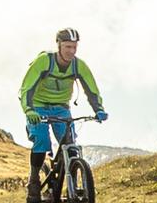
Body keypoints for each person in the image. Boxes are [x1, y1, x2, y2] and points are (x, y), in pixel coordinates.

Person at [17, 28, 105, 163]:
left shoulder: (79, 65)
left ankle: (71, 175)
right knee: (42, 140)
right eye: (67, 47)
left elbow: (92, 91)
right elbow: (26, 88)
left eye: (74, 47)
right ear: (58, 45)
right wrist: (29, 110)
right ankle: (34, 180)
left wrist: (99, 109)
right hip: (37, 107)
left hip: (61, 108)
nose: (71, 51)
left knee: (70, 144)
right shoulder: (44, 61)